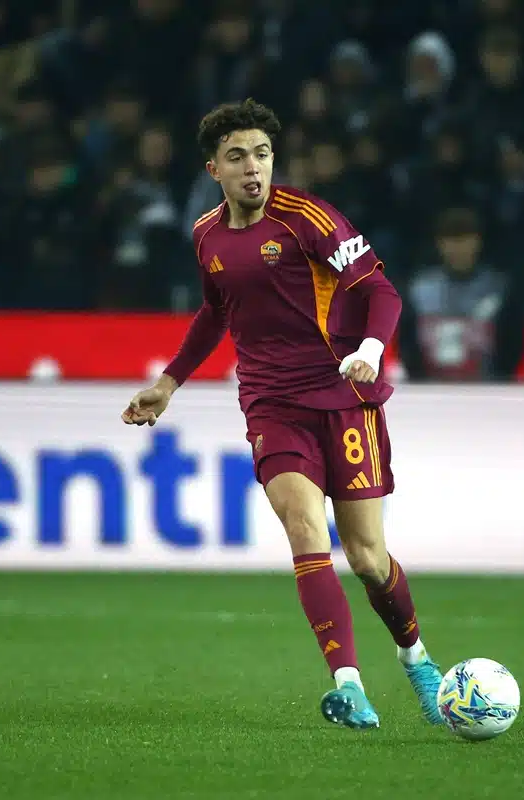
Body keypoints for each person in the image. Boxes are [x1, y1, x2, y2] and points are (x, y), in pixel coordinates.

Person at [121, 99, 444, 731]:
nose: (253, 168)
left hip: (345, 396)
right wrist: (168, 383)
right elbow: (217, 311)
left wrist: (372, 352)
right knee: (304, 528)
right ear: (213, 168)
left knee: (369, 557)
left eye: (263, 155)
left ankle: (416, 658)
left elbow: (380, 290)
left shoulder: (309, 219)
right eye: (238, 157)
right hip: (271, 404)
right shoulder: (206, 234)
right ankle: (348, 684)